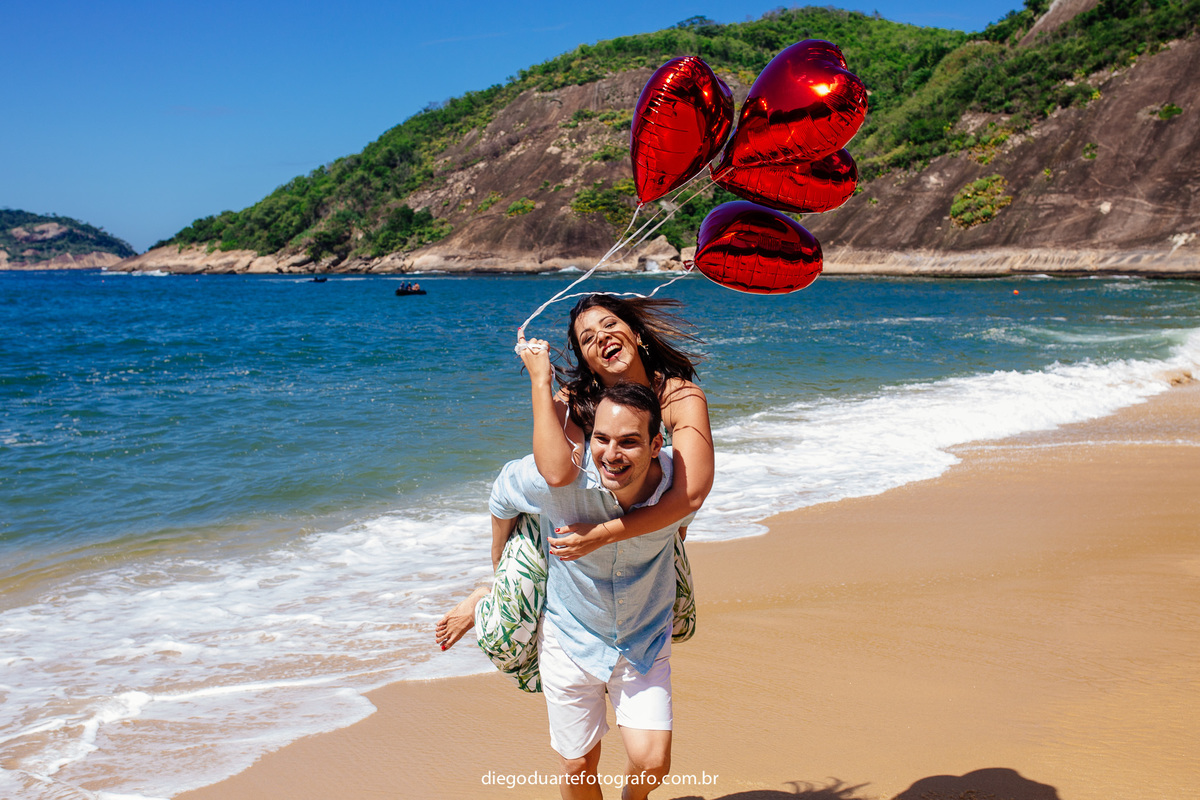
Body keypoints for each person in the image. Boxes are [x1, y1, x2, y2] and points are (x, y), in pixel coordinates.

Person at [435, 294, 713, 650]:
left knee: (679, 624)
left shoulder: (678, 396)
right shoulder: (577, 399)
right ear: (587, 360)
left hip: (636, 523)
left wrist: (604, 534)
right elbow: (556, 474)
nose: (602, 337)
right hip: (558, 522)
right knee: (511, 640)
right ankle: (484, 597)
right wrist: (541, 381)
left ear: (636, 333)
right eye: (587, 338)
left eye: (610, 324)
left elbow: (691, 494)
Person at [498, 382, 692, 799]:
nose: (611, 454)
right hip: (569, 636)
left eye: (629, 442)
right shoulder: (560, 480)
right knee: (578, 764)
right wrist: (499, 572)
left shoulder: (677, 487)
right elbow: (502, 493)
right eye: (601, 439)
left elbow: (680, 530)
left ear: (656, 444)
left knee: (652, 761)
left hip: (643, 635)